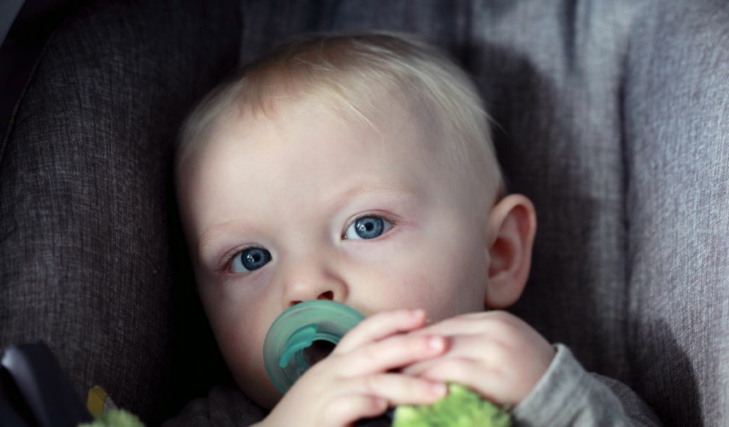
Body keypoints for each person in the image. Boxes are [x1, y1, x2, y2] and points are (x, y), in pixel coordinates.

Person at [169, 32, 659, 426]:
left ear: (499, 253)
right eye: (251, 258)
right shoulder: (225, 418)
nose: (304, 287)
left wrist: (556, 404)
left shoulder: (541, 390)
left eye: (366, 226)